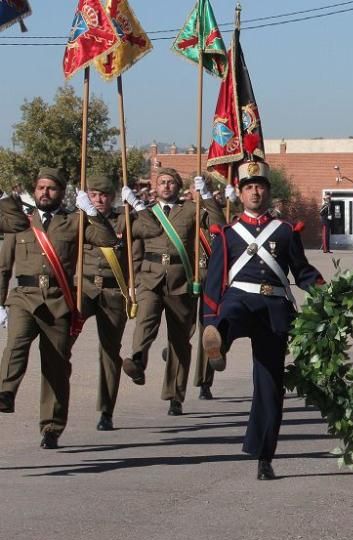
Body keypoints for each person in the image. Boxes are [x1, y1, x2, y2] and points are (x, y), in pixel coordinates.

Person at [200, 161, 324, 480]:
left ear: (268, 191)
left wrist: (327, 292)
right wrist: (208, 320)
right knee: (229, 315)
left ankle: (264, 456)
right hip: (239, 298)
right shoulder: (227, 234)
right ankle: (218, 342)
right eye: (249, 186)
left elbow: (303, 271)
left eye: (261, 186)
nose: (255, 191)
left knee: (269, 386)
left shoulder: (285, 231)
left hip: (275, 307)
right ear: (240, 194)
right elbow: (214, 283)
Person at [0, 168, 118, 448]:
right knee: (16, 343)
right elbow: (3, 266)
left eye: (51, 189)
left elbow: (108, 240)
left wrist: (90, 212)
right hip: (24, 296)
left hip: (58, 299)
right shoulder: (22, 223)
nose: (44, 193)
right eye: (40, 187)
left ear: (62, 193)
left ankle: (51, 426)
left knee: (55, 364)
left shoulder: (72, 222)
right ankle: (5, 391)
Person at [120, 168, 224, 416]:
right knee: (145, 320)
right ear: (155, 187)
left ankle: (175, 395)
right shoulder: (144, 212)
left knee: (179, 341)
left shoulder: (191, 209)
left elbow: (219, 225)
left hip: (181, 279)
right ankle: (137, 360)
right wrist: (131, 278)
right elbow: (133, 242)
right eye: (162, 182)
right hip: (150, 277)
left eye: (171, 182)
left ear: (178, 186)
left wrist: (207, 196)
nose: (166, 186)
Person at [76, 174, 135, 431]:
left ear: (112, 197)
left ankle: (106, 410)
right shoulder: (79, 219)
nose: (99, 200)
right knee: (61, 339)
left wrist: (138, 205)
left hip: (113, 291)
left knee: (109, 352)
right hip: (85, 289)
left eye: (104, 195)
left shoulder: (124, 221)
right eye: (94, 194)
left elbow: (151, 231)